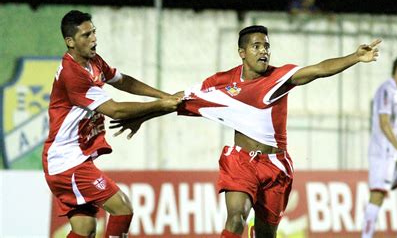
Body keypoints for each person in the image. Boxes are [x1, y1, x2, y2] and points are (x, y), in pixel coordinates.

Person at [113, 25, 382, 238]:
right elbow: (177, 100)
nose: (264, 51)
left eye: (267, 46)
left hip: (276, 165)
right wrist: (143, 116)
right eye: (257, 46)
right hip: (240, 162)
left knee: (267, 233)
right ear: (242, 52)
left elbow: (319, 70)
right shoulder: (220, 83)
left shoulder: (279, 78)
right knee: (236, 217)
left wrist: (355, 57)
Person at [42, 10, 182, 238]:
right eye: (86, 35)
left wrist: (163, 95)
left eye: (94, 32)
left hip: (72, 159)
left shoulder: (93, 61)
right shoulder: (72, 74)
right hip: (66, 162)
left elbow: (123, 81)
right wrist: (161, 105)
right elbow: (115, 110)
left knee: (84, 229)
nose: (94, 39)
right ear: (70, 42)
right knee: (122, 209)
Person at [361, 54, 397, 238]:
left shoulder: (395, 92)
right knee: (377, 196)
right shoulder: (386, 90)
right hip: (383, 154)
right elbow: (384, 123)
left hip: (393, 154)